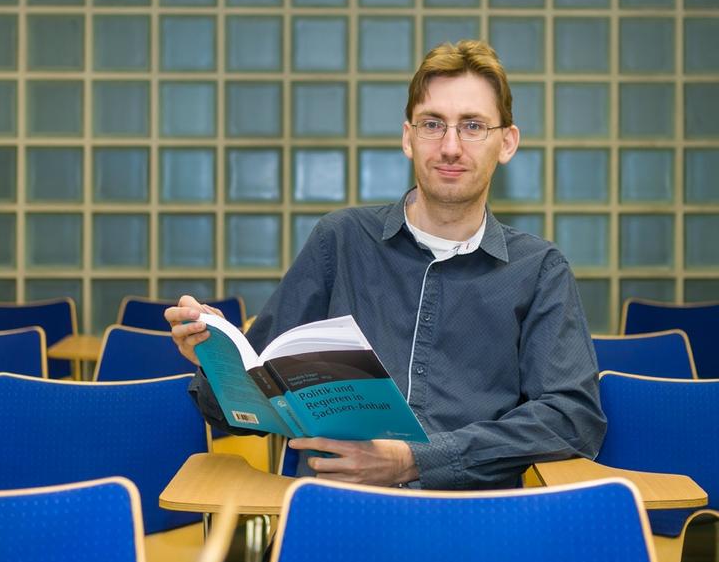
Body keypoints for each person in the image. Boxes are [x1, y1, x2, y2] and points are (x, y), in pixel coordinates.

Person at [166, 40, 606, 493]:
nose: (451, 146)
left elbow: (571, 418)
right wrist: (216, 358)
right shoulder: (339, 241)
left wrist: (417, 461)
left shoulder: (539, 270)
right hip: (336, 512)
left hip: (472, 520)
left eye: (473, 126)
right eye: (432, 124)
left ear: (507, 142)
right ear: (408, 138)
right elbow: (254, 399)